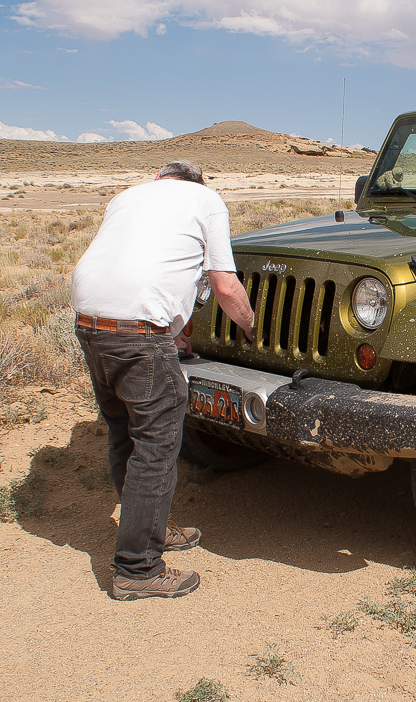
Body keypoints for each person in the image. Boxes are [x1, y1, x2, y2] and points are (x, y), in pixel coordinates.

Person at [71, 160, 255, 600]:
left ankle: (149, 530)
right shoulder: (206, 200)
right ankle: (138, 569)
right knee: (155, 450)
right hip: (139, 336)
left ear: (160, 179)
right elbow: (224, 286)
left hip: (90, 324)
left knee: (124, 436)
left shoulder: (128, 196)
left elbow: (139, 263)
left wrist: (169, 332)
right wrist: (250, 327)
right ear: (198, 183)